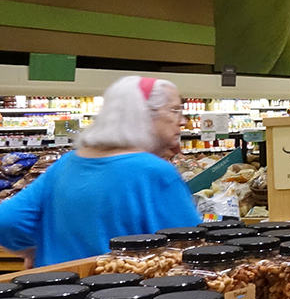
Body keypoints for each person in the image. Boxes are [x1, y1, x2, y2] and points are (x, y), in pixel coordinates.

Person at [0, 76, 200, 267]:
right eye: (175, 110)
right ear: (145, 114)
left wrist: (36, 250)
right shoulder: (153, 172)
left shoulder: (68, 162)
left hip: (56, 292)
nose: (183, 121)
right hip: (125, 296)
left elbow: (6, 220)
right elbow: (192, 250)